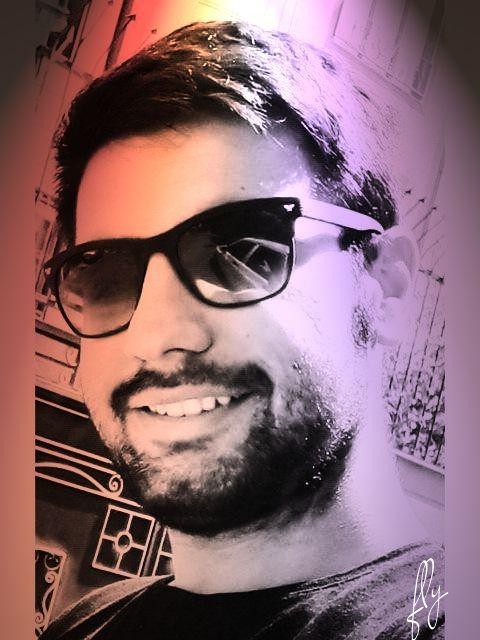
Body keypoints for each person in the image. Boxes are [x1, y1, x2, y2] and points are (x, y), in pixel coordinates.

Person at [40, 20, 445, 640]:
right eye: (105, 276)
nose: (158, 335)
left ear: (383, 287)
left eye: (245, 251)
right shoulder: (82, 626)